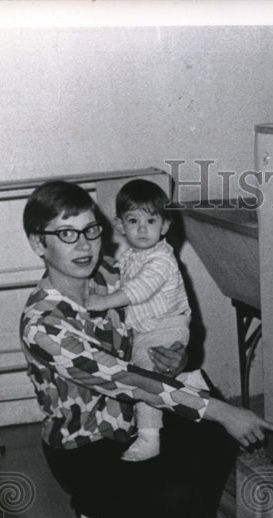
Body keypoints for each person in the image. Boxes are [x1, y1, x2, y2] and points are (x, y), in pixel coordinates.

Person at [19, 179, 273, 518]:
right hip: (85, 442)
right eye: (66, 233)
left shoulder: (115, 272)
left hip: (141, 414)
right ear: (38, 243)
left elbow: (167, 315)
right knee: (171, 491)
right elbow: (127, 382)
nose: (84, 245)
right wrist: (226, 411)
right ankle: (93, 509)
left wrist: (178, 355)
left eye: (90, 230)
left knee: (214, 436)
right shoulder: (44, 325)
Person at [84, 178, 203, 461]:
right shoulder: (127, 257)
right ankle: (190, 383)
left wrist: (102, 301)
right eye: (133, 220)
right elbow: (119, 281)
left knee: (145, 380)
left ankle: (150, 438)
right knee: (145, 376)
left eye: (150, 221)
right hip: (147, 329)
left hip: (166, 325)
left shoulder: (161, 259)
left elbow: (138, 289)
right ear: (120, 225)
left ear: (164, 226)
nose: (141, 228)